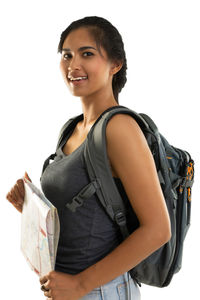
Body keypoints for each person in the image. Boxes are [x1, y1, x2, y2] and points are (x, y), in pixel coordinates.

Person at [6, 16, 171, 300]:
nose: (73, 65)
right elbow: (82, 216)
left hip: (101, 290)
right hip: (68, 289)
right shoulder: (71, 129)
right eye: (67, 55)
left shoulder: (119, 128)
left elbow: (158, 229)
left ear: (115, 64)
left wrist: (81, 285)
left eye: (87, 54)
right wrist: (32, 209)